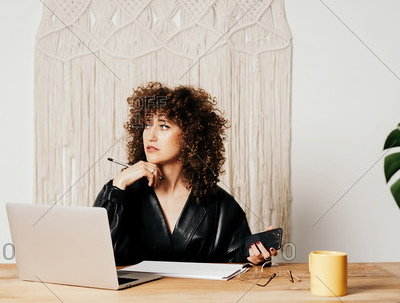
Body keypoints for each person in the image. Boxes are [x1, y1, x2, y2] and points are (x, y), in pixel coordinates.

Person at [93, 81, 277, 265]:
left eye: (164, 126)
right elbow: (94, 256)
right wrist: (118, 185)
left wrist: (254, 257)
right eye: (147, 125)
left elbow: (236, 263)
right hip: (132, 294)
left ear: (190, 136)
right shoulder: (119, 193)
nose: (150, 135)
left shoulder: (222, 206)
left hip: (201, 294)